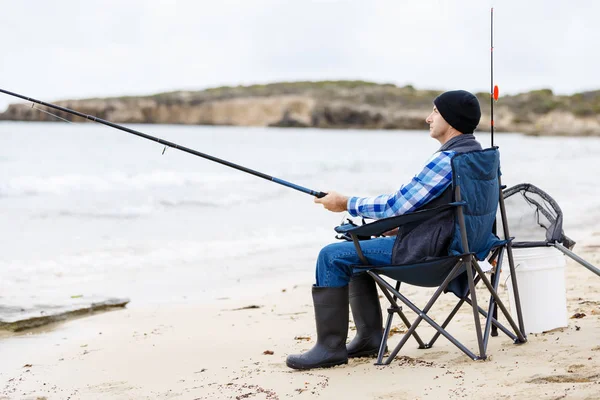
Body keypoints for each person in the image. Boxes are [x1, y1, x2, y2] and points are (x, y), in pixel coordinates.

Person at [286, 90, 484, 370]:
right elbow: (455, 208)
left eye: (435, 112)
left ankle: (329, 348)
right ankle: (369, 339)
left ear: (451, 120)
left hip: (432, 255)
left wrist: (346, 203)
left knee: (332, 255)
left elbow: (395, 206)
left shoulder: (447, 159)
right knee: (353, 251)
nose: (429, 118)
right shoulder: (478, 156)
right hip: (464, 251)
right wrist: (404, 225)